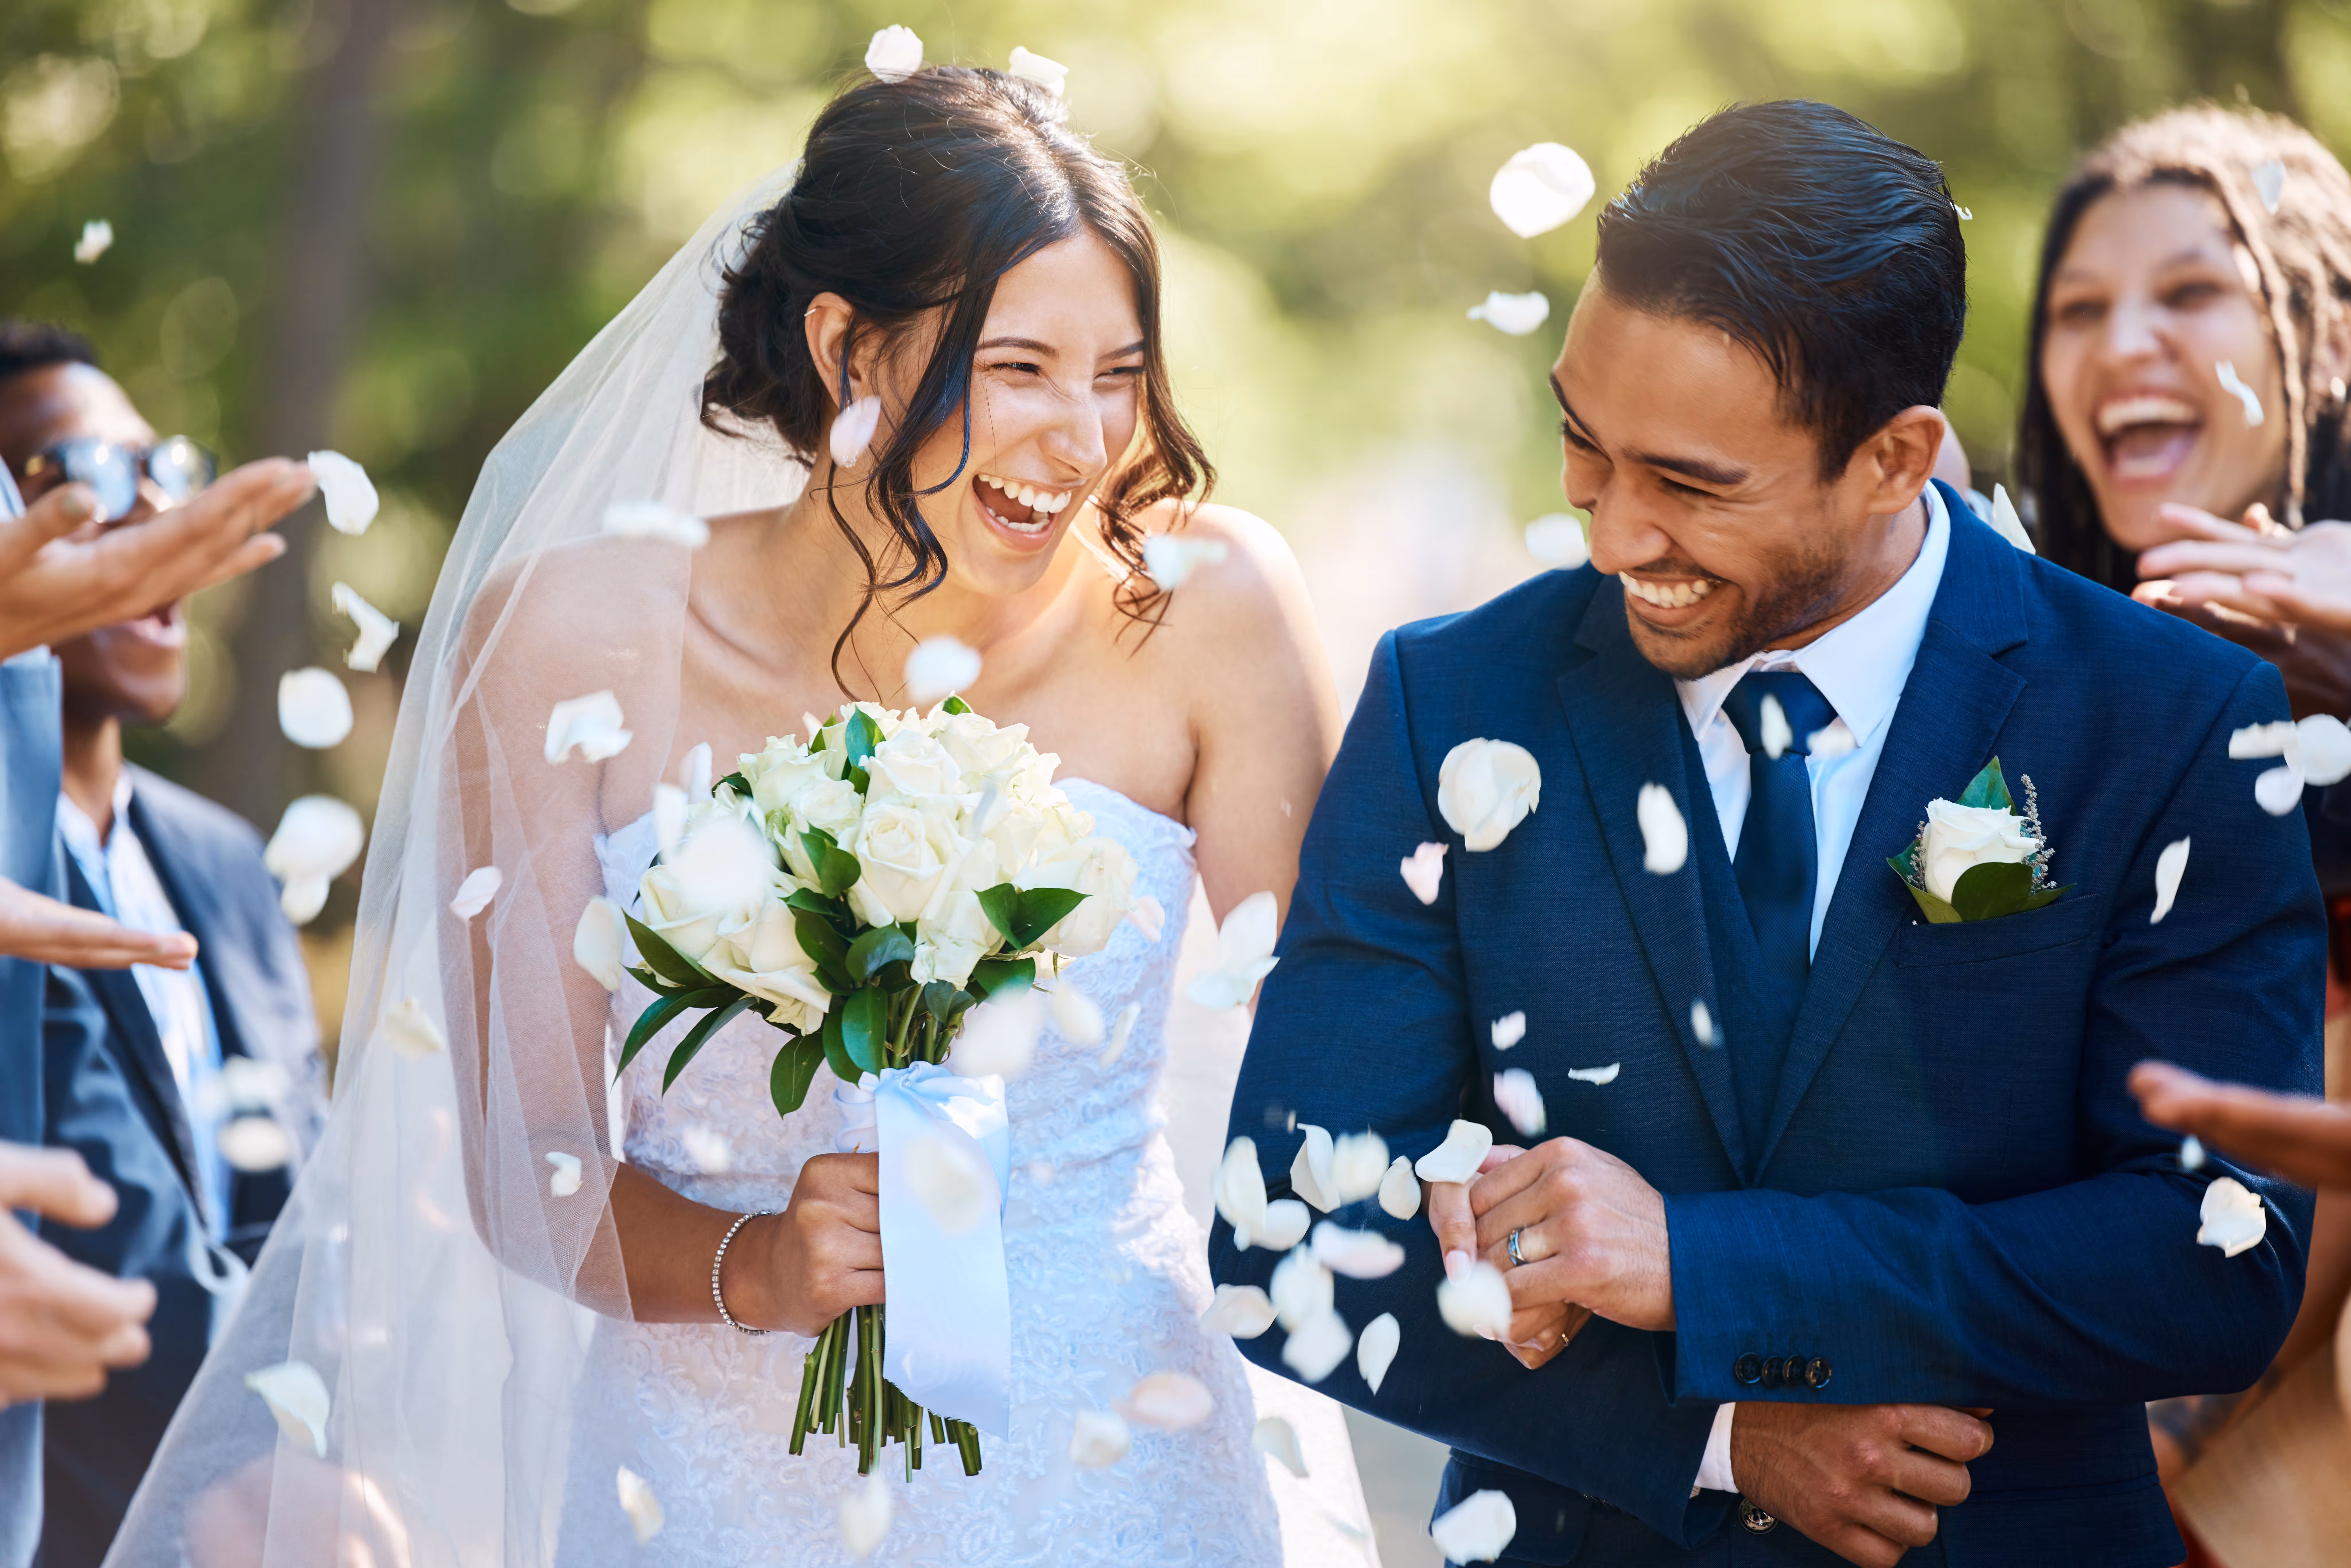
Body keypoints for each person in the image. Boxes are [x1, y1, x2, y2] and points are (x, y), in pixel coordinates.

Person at [108, 59, 1368, 1567]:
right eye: (1022, 367)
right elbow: (536, 1163)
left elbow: (1359, 1037)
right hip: (707, 1487)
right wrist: (754, 1264)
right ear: (847, 345)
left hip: (1120, 1471)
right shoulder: (567, 644)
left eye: (1119, 373)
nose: (1085, 439)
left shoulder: (1207, 611)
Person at [1211, 99, 2320, 1568]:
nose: (1609, 534)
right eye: (1583, 445)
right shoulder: (1447, 696)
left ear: (1893, 458)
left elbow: (2210, 1256)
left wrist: (1704, 1271)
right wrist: (1722, 1432)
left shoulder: (2170, 718)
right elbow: (1287, 1229)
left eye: (1689, 485)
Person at [2008, 106, 2351, 1540]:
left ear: (2323, 342)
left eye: (2189, 291)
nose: (2122, 342)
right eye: (2078, 309)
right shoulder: (2024, 695)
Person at [0, 323, 330, 1565]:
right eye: (73, 469)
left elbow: (295, 1196)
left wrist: (338, 1427)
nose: (143, 509)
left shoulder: (227, 865)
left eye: (158, 465)